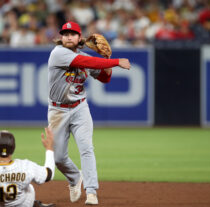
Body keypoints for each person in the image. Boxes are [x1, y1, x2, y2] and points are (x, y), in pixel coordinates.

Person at [47, 21, 131, 205]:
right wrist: (116, 61)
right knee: (59, 158)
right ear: (61, 37)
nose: (68, 36)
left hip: (79, 108)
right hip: (58, 111)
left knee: (86, 148)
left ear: (79, 38)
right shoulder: (58, 53)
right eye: (65, 33)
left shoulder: (84, 55)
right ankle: (75, 178)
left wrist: (107, 59)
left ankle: (91, 192)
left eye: (72, 33)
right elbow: (85, 62)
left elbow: (104, 78)